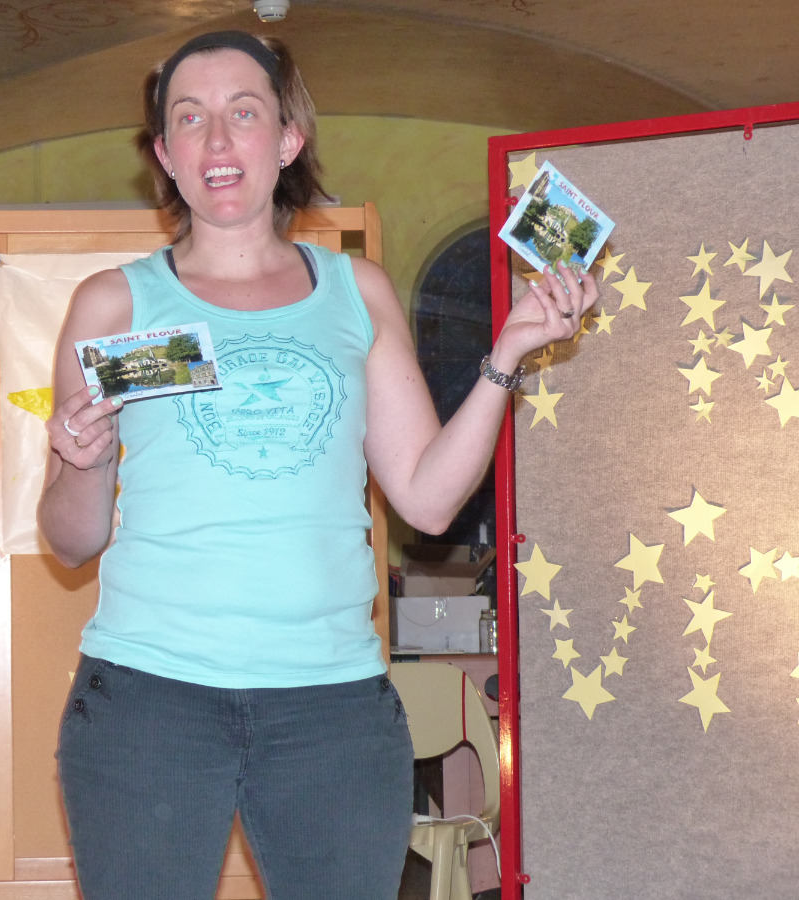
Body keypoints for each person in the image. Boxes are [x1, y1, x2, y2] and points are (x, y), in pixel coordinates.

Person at [38, 30, 596, 900]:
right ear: (166, 156)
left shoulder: (356, 290)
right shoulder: (113, 302)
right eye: (189, 118)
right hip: (149, 702)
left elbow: (429, 501)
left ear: (288, 139)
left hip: (331, 706)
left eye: (243, 113)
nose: (216, 139)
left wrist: (508, 355)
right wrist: (82, 460)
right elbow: (70, 541)